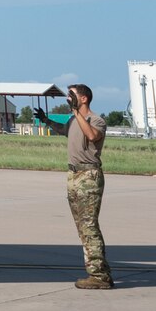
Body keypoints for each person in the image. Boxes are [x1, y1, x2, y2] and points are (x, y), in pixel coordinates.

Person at [56, 83, 112, 288]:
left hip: (89, 176)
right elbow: (64, 130)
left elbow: (92, 136)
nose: (68, 98)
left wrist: (75, 112)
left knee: (89, 226)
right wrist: (46, 120)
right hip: (73, 174)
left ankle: (98, 276)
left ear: (84, 99)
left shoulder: (96, 120)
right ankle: (100, 271)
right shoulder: (73, 121)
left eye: (72, 95)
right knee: (82, 227)